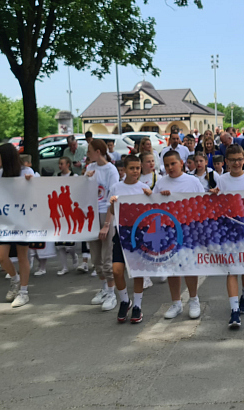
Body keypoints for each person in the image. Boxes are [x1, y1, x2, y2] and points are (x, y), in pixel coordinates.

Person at [209, 144, 244, 328]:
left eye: (240, 159)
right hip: (229, 231)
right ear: (226, 162)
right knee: (231, 269)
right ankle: (234, 311)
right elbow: (217, 205)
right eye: (233, 160)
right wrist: (213, 196)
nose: (237, 163)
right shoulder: (222, 180)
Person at [103, 155, 152, 324]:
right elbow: (113, 210)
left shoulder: (143, 188)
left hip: (138, 235)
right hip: (121, 233)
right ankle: (125, 300)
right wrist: (112, 203)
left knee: (137, 272)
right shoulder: (116, 187)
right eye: (132, 168)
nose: (135, 171)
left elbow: (151, 212)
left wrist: (150, 196)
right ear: (124, 170)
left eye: (138, 168)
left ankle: (137, 305)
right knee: (117, 270)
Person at [155, 151, 204, 319]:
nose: (170, 168)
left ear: (181, 163)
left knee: (189, 266)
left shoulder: (193, 181)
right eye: (167, 165)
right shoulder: (161, 183)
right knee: (171, 268)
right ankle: (176, 303)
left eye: (173, 164)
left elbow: (202, 203)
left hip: (189, 230)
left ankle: (193, 299)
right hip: (168, 231)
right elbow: (152, 205)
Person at [0, 144, 35, 308]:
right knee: (2, 256)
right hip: (6, 220)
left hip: (23, 220)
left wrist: (30, 183)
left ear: (6, 157)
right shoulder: (1, 173)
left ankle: (24, 292)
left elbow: (35, 194)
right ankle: (15, 279)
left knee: (23, 256)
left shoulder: (27, 172)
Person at [84, 139, 121, 311]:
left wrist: (107, 223)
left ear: (98, 152)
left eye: (90, 150)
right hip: (91, 215)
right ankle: (104, 288)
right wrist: (86, 180)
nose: (87, 153)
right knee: (96, 258)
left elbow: (113, 197)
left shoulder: (111, 170)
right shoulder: (90, 168)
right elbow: (81, 191)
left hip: (105, 214)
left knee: (107, 258)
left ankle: (112, 293)